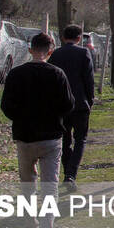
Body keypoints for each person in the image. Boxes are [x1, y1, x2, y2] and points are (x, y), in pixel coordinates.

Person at [0, 33, 74, 228]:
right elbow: (68, 104)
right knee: (49, 190)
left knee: (27, 184)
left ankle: (29, 224)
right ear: (50, 52)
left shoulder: (16, 74)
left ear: (30, 49)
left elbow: (6, 106)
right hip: (51, 138)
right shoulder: (57, 74)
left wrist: (22, 119)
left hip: (24, 137)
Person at [48, 24, 94, 188]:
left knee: (65, 140)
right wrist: (90, 99)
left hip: (61, 105)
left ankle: (67, 171)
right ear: (79, 38)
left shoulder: (55, 54)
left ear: (62, 37)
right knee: (80, 139)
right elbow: (89, 79)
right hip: (80, 103)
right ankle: (71, 174)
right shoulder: (83, 53)